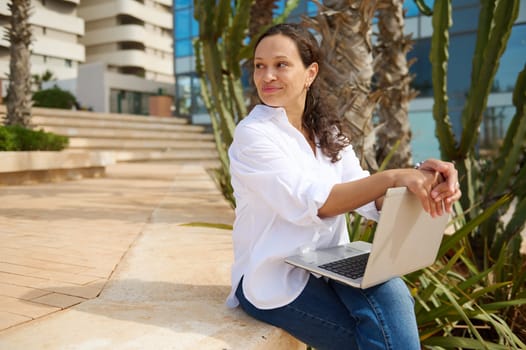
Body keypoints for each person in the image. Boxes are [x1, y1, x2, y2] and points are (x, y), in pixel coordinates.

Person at [226, 23, 461, 350]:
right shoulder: (253, 135)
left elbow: (363, 192)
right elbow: (315, 203)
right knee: (376, 340)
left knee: (393, 295)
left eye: (281, 64)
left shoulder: (327, 132)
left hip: (328, 262)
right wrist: (396, 176)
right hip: (273, 278)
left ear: (310, 73)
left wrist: (426, 180)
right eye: (259, 66)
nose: (267, 76)